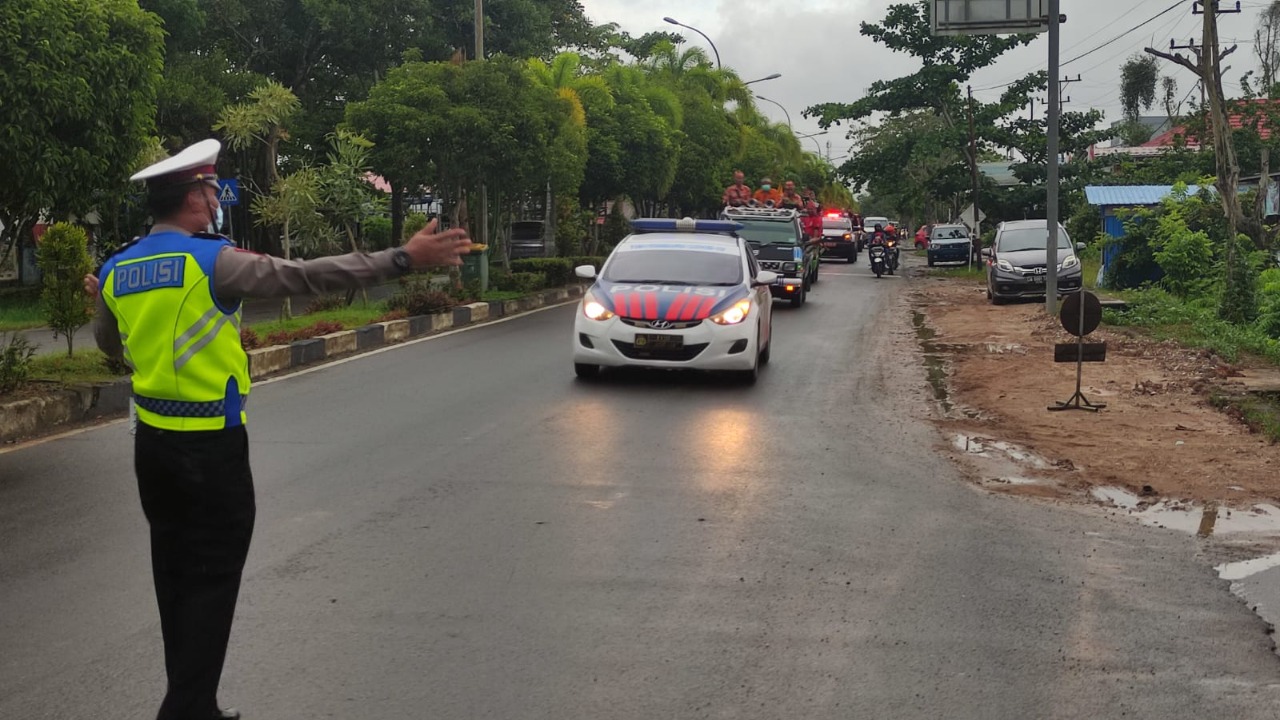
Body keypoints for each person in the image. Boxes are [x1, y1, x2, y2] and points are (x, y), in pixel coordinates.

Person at [84, 139, 470, 720]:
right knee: (213, 580)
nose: (217, 200)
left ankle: (196, 703)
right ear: (193, 196)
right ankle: (185, 710)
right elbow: (305, 276)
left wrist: (106, 305)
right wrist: (403, 258)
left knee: (175, 578)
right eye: (212, 191)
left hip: (152, 448)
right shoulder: (213, 262)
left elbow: (111, 348)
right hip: (210, 449)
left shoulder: (117, 268)